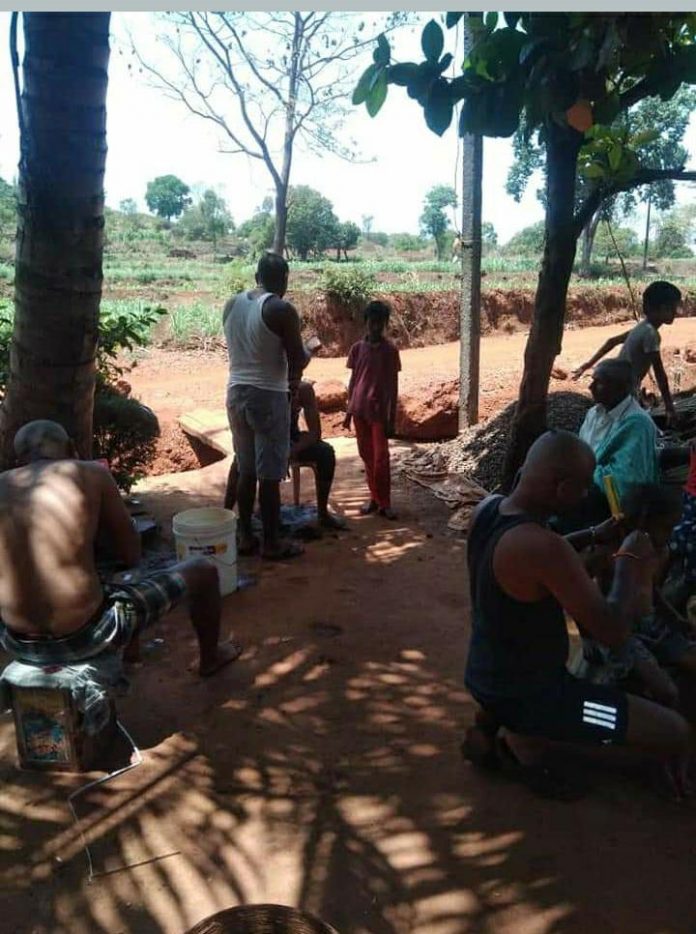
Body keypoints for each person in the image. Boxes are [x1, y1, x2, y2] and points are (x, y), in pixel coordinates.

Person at [464, 430, 690, 798]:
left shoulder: (488, 509)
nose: (587, 495)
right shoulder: (544, 548)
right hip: (538, 698)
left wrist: (591, 535)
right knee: (674, 733)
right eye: (583, 487)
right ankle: (525, 746)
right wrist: (630, 565)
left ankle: (497, 722)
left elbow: (541, 565)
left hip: (485, 674)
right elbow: (614, 631)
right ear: (560, 485)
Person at [0, 421, 241, 677]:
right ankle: (210, 659)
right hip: (88, 632)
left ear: (19, 460)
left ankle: (131, 655)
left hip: (17, 640)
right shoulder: (91, 473)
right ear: (72, 448)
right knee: (201, 571)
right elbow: (131, 553)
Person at [580, 484, 696, 710]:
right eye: (666, 528)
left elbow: (651, 592)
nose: (671, 534)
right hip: (622, 636)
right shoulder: (609, 554)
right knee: (664, 690)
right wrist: (588, 638)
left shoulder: (656, 550)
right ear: (644, 523)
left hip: (651, 625)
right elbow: (578, 594)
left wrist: (674, 618)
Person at [224, 252, 307, 560]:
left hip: (235, 392)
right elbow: (297, 358)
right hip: (268, 396)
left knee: (246, 469)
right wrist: (308, 351)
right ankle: (272, 543)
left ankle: (245, 536)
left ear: (257, 276)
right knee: (269, 474)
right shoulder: (281, 309)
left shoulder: (232, 304)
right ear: (283, 279)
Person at [224, 379, 346, 532]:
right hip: (263, 439)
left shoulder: (303, 389)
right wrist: (276, 452)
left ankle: (323, 514)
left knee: (326, 453)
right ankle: (226, 515)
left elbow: (314, 433)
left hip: (290, 440)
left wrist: (289, 451)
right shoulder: (263, 389)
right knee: (241, 462)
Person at [572, 280, 681, 423]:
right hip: (624, 388)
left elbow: (612, 341)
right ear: (662, 308)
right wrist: (669, 407)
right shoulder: (651, 334)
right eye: (672, 308)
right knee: (627, 422)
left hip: (614, 383)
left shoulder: (642, 327)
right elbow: (659, 372)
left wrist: (587, 364)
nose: (675, 312)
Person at [343, 300, 401, 520]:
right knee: (367, 457)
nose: (375, 327)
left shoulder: (390, 351)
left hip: (379, 414)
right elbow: (353, 380)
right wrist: (348, 412)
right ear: (365, 323)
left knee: (381, 458)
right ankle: (374, 499)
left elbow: (393, 387)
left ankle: (385, 503)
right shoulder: (357, 349)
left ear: (385, 324)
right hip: (359, 410)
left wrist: (392, 419)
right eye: (371, 322)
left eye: (380, 323)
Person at [578, 358, 659, 513]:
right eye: (592, 380)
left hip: (610, 507)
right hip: (585, 489)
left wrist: (581, 471)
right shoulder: (594, 414)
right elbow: (581, 452)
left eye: (600, 382)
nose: (591, 387)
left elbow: (625, 482)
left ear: (622, 388)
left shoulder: (637, 424)